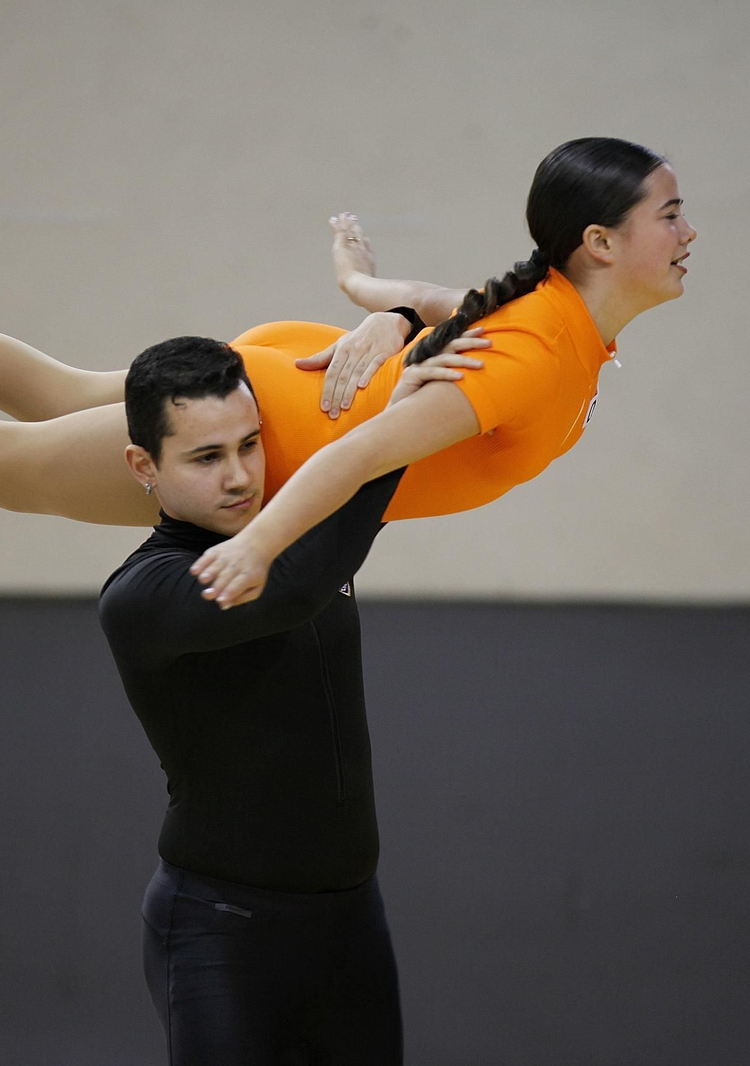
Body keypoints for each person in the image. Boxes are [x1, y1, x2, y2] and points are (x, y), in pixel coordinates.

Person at [0, 138, 695, 575]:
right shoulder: (547, 356)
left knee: (50, 388)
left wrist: (362, 291)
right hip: (252, 438)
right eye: (671, 214)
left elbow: (434, 305)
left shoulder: (555, 316)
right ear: (599, 242)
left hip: (270, 371)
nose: (688, 233)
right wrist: (258, 544)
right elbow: (362, 456)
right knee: (5, 462)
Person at [98, 334, 476, 1064]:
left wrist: (395, 317)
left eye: (250, 444)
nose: (240, 475)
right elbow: (294, 590)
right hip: (221, 931)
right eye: (207, 457)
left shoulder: (295, 531)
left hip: (350, 921)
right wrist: (391, 432)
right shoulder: (143, 594)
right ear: (143, 465)